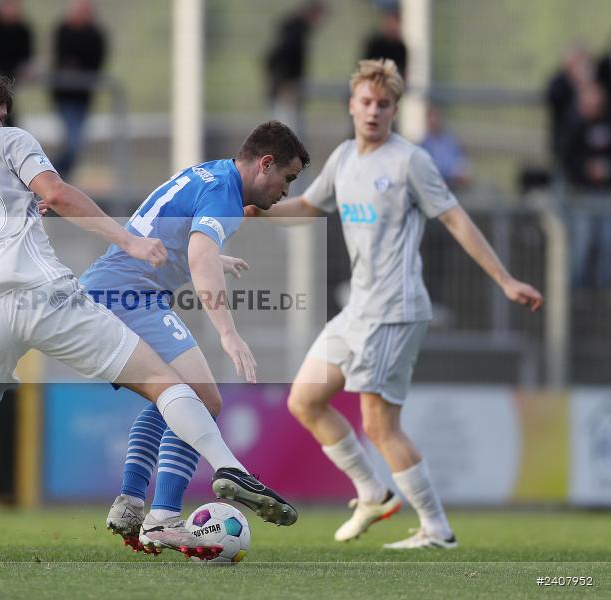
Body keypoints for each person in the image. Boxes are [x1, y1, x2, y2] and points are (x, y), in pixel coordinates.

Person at [0, 65, 297, 563]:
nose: (2, 121)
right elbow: (59, 194)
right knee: (162, 380)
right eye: (0, 113)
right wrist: (128, 240)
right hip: (46, 293)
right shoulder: (8, 141)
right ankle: (221, 470)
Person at [246, 59, 542, 549]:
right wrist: (261, 211)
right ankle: (371, 492)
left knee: (380, 426)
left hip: (396, 310)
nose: (374, 111)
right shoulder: (343, 158)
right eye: (366, 102)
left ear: (395, 110)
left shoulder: (410, 162)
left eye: (384, 104)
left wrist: (506, 280)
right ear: (352, 105)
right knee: (305, 400)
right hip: (358, 309)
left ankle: (437, 529)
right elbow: (309, 207)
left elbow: (456, 221)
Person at [78, 121, 309, 557]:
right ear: (265, 164)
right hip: (131, 295)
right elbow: (199, 253)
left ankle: (131, 501)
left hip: (105, 289)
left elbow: (172, 234)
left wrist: (214, 255)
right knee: (205, 400)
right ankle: (166, 516)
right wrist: (229, 333)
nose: (285, 190)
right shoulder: (227, 194)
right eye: (288, 178)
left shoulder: (210, 172)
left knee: (170, 398)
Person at [557, 82, 611, 289]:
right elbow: (566, 159)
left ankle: (603, 293)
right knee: (583, 242)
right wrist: (585, 170)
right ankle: (574, 292)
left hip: (604, 195)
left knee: (607, 243)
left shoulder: (606, 123)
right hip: (580, 195)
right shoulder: (572, 125)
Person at [50, 0, 107, 178]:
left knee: (75, 145)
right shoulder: (63, 30)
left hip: (83, 97)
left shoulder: (95, 35)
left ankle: (54, 178)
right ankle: (52, 178)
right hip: (64, 96)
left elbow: (95, 63)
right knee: (73, 143)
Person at [263, 1, 327, 136]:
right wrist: (285, 83)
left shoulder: (297, 30)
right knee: (286, 134)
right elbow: (276, 58)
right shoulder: (295, 31)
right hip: (285, 89)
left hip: (287, 86)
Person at [361, 7, 406, 79]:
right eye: (391, 22)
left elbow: (402, 72)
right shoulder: (375, 44)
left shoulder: (400, 47)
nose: (394, 27)